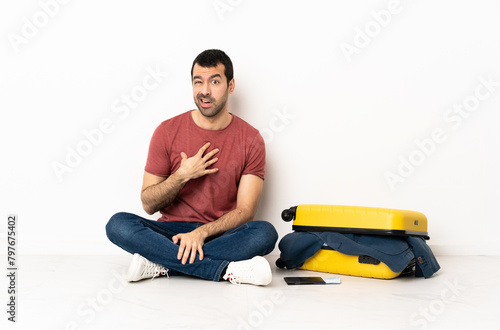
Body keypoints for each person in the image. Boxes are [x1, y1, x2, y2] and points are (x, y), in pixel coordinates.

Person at [105, 49, 278, 286]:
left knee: (265, 234)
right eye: (198, 82)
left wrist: (201, 233)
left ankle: (160, 264)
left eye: (214, 81)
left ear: (231, 85)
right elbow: (148, 204)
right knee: (118, 224)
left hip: (218, 235)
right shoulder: (167, 131)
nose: (205, 91)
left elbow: (245, 211)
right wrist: (181, 176)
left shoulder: (251, 139)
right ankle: (225, 271)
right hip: (170, 234)